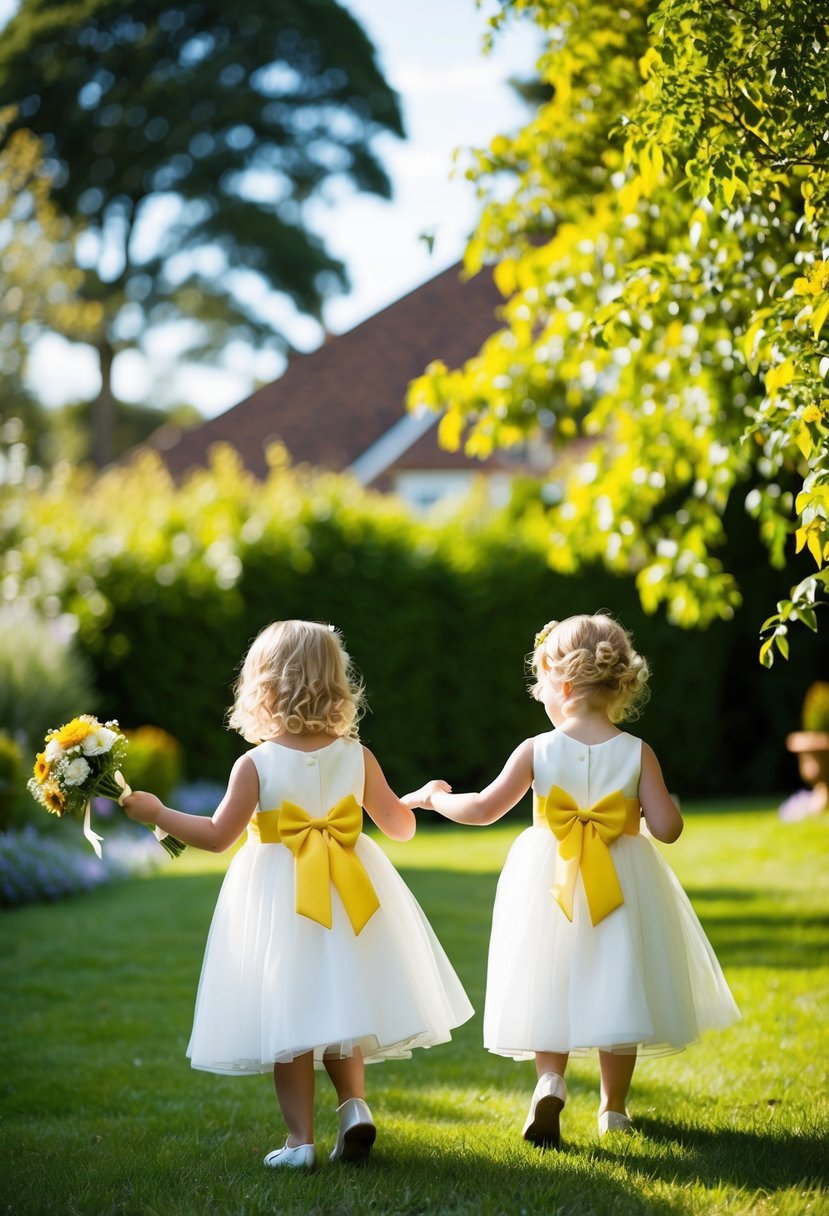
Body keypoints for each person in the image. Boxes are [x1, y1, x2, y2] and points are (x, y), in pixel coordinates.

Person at [122, 619, 473, 1169]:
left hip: (279, 898)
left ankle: (299, 1142)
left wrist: (158, 814)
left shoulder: (256, 764)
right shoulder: (356, 756)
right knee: (342, 1002)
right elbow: (400, 827)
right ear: (337, 683)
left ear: (262, 686)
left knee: (292, 1017)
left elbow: (217, 838)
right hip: (349, 891)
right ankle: (354, 1106)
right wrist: (423, 796)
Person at [424, 612, 739, 1148]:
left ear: (562, 683)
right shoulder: (638, 752)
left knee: (551, 979)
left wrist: (434, 797)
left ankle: (550, 1079)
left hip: (550, 881)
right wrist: (645, 809)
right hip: (622, 880)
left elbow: (481, 809)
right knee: (622, 982)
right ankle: (613, 1108)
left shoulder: (537, 749)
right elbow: (667, 828)